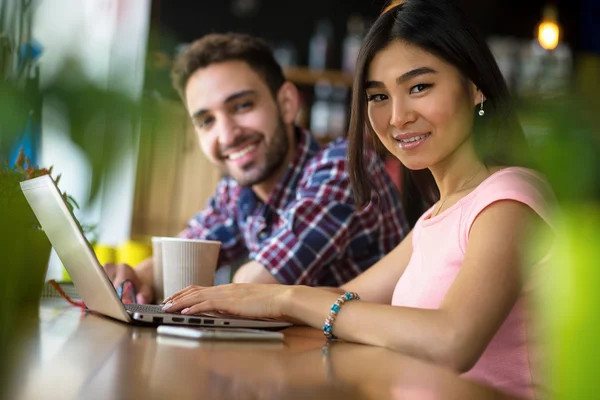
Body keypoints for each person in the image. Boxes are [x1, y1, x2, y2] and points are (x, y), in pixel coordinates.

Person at [162, 1, 555, 399]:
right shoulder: (436, 217)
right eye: (379, 96)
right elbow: (345, 297)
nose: (397, 116)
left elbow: (452, 341)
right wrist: (240, 305)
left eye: (419, 87)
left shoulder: (510, 199)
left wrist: (287, 296)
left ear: (475, 87)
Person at [105, 33, 408, 303]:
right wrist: (136, 276)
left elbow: (254, 286)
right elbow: (184, 255)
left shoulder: (344, 167)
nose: (227, 135)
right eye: (206, 121)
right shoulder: (237, 191)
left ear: (287, 103)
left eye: (242, 106)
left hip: (375, 361)